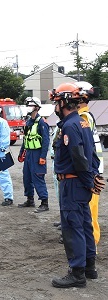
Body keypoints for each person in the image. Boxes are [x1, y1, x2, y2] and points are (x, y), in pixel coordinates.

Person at [49, 82, 104, 288]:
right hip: (80, 183)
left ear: (63, 102)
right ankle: (90, 268)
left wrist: (88, 180)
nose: (55, 108)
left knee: (73, 228)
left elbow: (78, 157)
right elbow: (92, 155)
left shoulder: (70, 125)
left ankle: (77, 273)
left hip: (72, 183)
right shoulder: (82, 122)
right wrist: (93, 177)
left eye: (56, 103)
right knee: (85, 225)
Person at [76, 81, 104, 248]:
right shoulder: (83, 116)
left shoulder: (84, 117)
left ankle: (91, 248)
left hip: (91, 171)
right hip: (91, 169)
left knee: (90, 211)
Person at [17, 97, 50, 212]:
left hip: (37, 153)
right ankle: (30, 199)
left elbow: (46, 141)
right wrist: (21, 152)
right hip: (29, 153)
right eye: (27, 105)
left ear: (37, 107)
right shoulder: (28, 122)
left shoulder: (42, 122)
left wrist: (42, 157)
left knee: (38, 177)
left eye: (30, 105)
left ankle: (44, 202)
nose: (28, 108)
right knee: (27, 177)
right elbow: (26, 138)